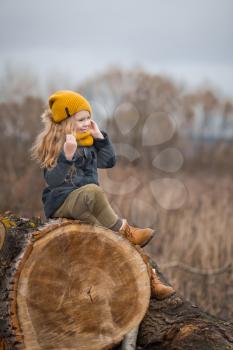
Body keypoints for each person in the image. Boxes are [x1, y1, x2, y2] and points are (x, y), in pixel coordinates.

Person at [31, 90, 174, 299]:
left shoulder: (88, 142)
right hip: (62, 203)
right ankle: (124, 229)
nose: (87, 122)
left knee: (111, 238)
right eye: (81, 119)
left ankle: (149, 279)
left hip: (85, 205)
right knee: (93, 191)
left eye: (89, 117)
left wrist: (100, 138)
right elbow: (52, 180)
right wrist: (67, 156)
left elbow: (109, 162)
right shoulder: (58, 144)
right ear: (65, 122)